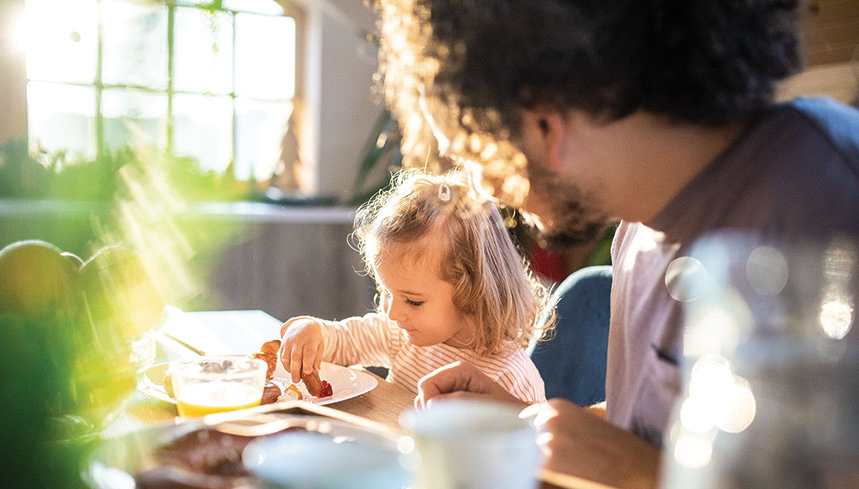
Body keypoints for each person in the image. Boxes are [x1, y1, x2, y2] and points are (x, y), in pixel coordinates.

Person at [374, 0, 859, 444]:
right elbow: (654, 427)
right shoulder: (637, 225)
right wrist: (523, 419)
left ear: (545, 121)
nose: (482, 187)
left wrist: (642, 479)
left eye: (477, 152)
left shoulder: (827, 200)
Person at [279, 168, 553, 404]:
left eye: (412, 301)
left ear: (472, 292)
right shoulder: (400, 335)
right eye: (386, 292)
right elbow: (342, 342)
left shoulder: (510, 379)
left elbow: (536, 457)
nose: (392, 313)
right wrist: (312, 331)